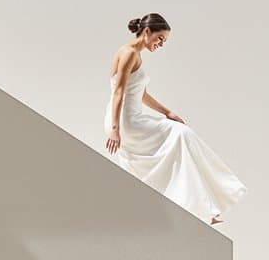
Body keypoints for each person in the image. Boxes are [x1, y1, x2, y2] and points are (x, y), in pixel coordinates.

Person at [104, 13, 248, 225]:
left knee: (182, 139)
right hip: (126, 122)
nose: (161, 44)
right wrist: (115, 129)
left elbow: (140, 93)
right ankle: (200, 207)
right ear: (147, 32)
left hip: (130, 118)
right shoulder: (129, 53)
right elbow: (118, 93)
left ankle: (200, 207)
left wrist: (167, 112)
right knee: (182, 135)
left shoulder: (135, 55)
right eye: (160, 38)